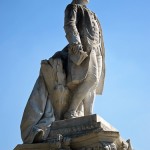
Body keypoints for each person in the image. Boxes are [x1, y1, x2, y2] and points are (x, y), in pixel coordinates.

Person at [64, 0, 105, 119]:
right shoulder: (72, 7)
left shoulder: (93, 14)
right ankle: (71, 110)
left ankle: (88, 113)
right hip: (86, 47)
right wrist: (76, 43)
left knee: (94, 83)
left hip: (97, 50)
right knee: (92, 79)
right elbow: (69, 24)